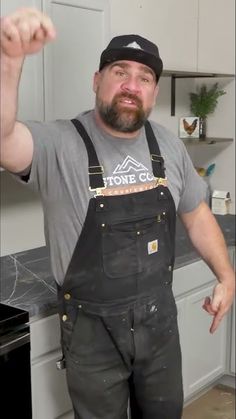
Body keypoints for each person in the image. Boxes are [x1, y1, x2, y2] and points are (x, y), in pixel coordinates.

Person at [1, 7, 235, 419]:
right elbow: (3, 138)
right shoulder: (58, 143)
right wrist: (10, 60)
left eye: (144, 78)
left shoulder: (169, 145)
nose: (131, 85)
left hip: (159, 322)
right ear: (97, 80)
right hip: (91, 331)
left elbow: (196, 214)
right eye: (119, 72)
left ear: (153, 91)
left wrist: (227, 276)